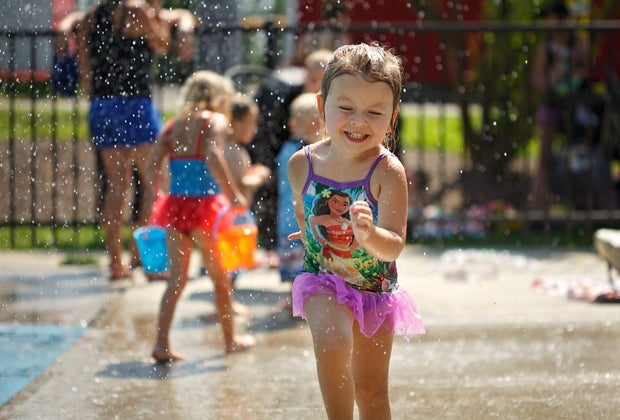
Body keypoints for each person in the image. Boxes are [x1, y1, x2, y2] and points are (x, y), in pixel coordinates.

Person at [286, 43, 425, 419]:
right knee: (332, 343)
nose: (359, 121)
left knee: (371, 389)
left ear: (391, 119)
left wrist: (369, 235)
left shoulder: (386, 171)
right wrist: (306, 232)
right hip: (321, 278)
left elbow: (393, 245)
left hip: (374, 289)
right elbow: (304, 209)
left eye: (374, 112)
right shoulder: (302, 165)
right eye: (346, 108)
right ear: (322, 107)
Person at [76, 0, 197, 281]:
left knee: (117, 186)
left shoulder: (93, 16)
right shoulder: (136, 9)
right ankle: (146, 259)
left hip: (102, 105)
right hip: (135, 104)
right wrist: (159, 21)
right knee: (155, 180)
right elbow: (162, 44)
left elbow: (84, 66)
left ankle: (116, 264)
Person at [146, 70, 256, 361]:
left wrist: (159, 195)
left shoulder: (173, 125)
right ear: (219, 98)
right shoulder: (214, 122)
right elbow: (211, 156)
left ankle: (161, 344)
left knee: (176, 280)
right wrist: (233, 195)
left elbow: (152, 164)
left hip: (175, 207)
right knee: (220, 277)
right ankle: (230, 340)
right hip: (207, 207)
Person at [249, 48, 333, 269]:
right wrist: (266, 164)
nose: (316, 85)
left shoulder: (336, 105)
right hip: (288, 155)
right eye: (313, 79)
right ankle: (274, 249)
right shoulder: (289, 101)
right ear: (304, 76)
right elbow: (270, 134)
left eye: (322, 81)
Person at [529, 1, 590, 209]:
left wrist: (570, 69)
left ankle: (583, 204)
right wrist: (552, 76)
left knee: (582, 154)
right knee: (544, 158)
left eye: (552, 18)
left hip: (577, 107)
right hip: (552, 104)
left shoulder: (578, 41)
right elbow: (537, 82)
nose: (549, 23)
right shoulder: (545, 48)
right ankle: (536, 206)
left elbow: (587, 71)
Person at [276, 92, 323, 311]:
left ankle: (294, 296)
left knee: (295, 257)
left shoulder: (287, 148)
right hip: (301, 214)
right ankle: (302, 300)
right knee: (306, 257)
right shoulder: (307, 153)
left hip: (286, 214)